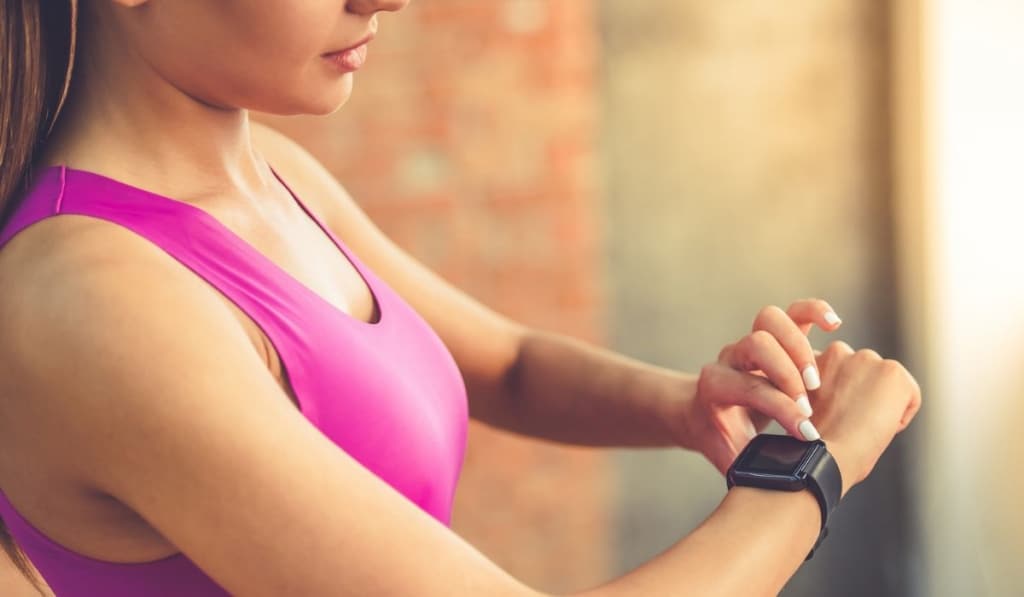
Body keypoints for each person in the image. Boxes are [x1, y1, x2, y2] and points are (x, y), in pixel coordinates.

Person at [0, 1, 922, 596]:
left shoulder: (270, 176)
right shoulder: (89, 300)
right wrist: (817, 466)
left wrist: (687, 405)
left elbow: (508, 364)